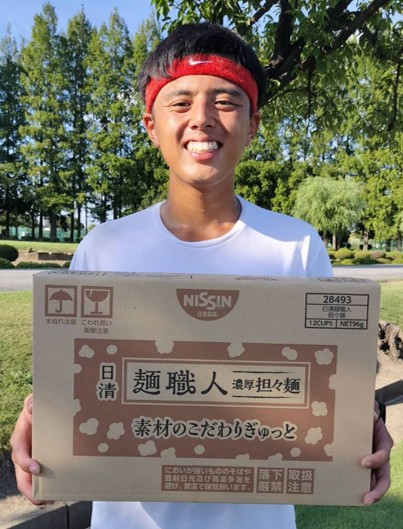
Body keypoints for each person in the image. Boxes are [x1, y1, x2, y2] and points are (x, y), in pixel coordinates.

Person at [11, 22, 392, 529]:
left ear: (253, 125)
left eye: (226, 101)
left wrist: (364, 424)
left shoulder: (295, 245)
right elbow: (73, 375)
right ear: (151, 125)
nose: (203, 119)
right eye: (181, 102)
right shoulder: (106, 246)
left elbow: (331, 384)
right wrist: (38, 421)